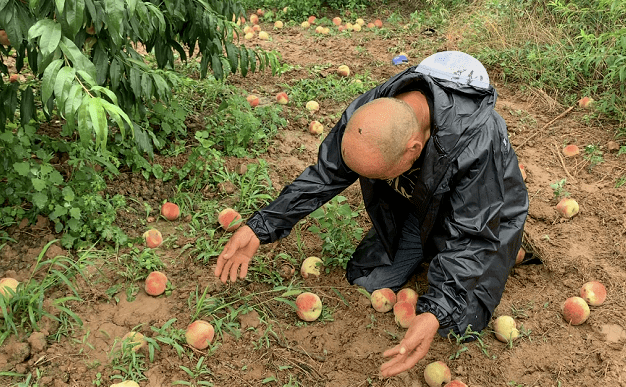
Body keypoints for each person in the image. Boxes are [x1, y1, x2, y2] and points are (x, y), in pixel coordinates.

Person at [214, 51, 529, 378]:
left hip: (485, 215)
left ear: (414, 151)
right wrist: (261, 226)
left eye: (381, 175)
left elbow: (470, 233)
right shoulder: (373, 110)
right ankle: (434, 249)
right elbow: (326, 174)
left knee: (455, 323)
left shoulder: (477, 139)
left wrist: (435, 311)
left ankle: (508, 248)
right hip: (420, 207)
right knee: (366, 278)